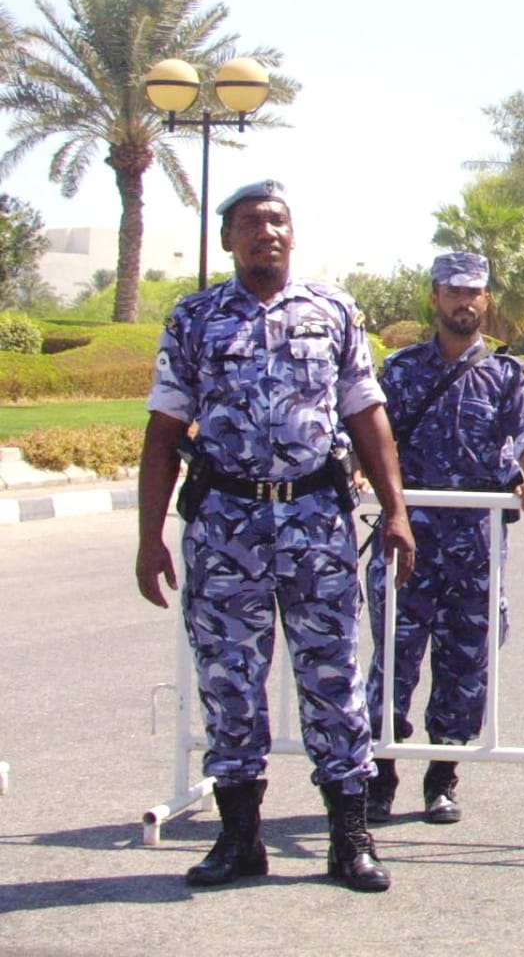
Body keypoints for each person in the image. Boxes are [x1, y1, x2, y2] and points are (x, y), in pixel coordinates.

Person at [136, 179, 415, 894]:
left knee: (332, 681)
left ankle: (347, 841)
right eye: (253, 222)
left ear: (293, 234)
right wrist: (148, 538)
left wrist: (396, 510)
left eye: (279, 220)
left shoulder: (333, 312)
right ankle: (239, 839)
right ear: (227, 238)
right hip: (225, 528)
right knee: (229, 683)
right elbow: (165, 431)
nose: (268, 231)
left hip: (315, 525)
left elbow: (366, 415)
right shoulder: (195, 319)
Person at [365, 251, 524, 825]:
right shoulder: (399, 370)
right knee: (393, 657)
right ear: (434, 298)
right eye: (452, 291)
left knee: (465, 663)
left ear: (486, 300)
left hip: (473, 544)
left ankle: (442, 777)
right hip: (406, 537)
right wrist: (357, 469)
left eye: (473, 293)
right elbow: (372, 435)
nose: (463, 302)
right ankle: (382, 774)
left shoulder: (507, 373)